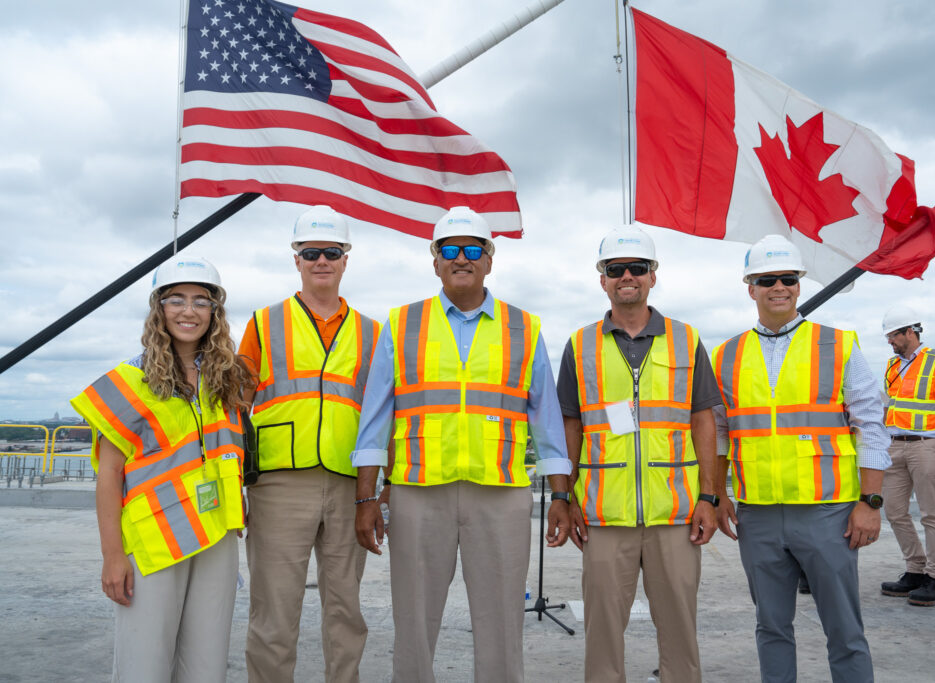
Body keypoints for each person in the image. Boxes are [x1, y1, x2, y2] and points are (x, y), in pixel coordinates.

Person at [350, 206, 572, 683]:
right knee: (412, 621)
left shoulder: (524, 327)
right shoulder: (402, 323)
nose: (462, 258)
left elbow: (547, 421)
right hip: (417, 493)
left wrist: (560, 494)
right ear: (435, 261)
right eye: (450, 249)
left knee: (501, 624)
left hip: (499, 493)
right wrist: (367, 497)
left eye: (474, 249)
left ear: (490, 260)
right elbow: (374, 419)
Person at [711, 234, 890, 683]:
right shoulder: (725, 355)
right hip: (759, 515)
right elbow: (717, 432)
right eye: (767, 279)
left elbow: (871, 424)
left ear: (799, 284)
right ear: (750, 286)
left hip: (828, 514)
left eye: (788, 278)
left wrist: (870, 502)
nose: (779, 287)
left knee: (845, 630)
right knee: (771, 627)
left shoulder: (838, 344)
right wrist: (716, 494)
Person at [70, 256, 252, 682]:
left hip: (216, 537)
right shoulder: (129, 382)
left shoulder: (225, 380)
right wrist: (113, 556)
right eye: (176, 300)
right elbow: (109, 476)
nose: (188, 311)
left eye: (200, 301)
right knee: (144, 667)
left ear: (214, 312)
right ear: (159, 308)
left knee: (206, 666)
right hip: (154, 546)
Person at [557, 225, 719, 683]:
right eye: (616, 269)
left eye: (637, 268)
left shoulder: (687, 340)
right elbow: (570, 423)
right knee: (603, 633)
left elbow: (703, 419)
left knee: (681, 632)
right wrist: (565, 497)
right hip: (604, 517)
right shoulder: (579, 344)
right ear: (602, 278)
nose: (627, 276)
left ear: (652, 276)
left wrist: (708, 497)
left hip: (676, 515)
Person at [238, 205, 380, 683]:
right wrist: (238, 484)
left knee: (346, 612)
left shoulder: (372, 333)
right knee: (275, 613)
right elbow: (236, 411)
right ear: (296, 259)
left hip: (347, 486)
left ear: (346, 259)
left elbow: (379, 421)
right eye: (312, 252)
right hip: (278, 487)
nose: (322, 260)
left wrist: (370, 494)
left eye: (332, 252)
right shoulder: (262, 323)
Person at [878, 305, 935, 606]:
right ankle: (915, 569)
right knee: (894, 511)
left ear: (910, 332)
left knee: (931, 514)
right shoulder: (891, 365)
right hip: (894, 445)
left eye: (893, 336)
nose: (890, 341)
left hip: (928, 446)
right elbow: (888, 407)